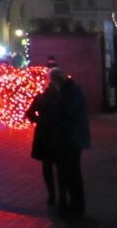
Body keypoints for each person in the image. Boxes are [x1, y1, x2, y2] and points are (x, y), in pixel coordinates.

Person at [51, 68, 90, 217]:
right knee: (71, 171)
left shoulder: (69, 92)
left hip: (70, 137)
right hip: (71, 136)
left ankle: (76, 204)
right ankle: (74, 203)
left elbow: (67, 112)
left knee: (70, 171)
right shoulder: (71, 89)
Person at [25, 76, 60, 207]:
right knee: (59, 165)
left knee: (47, 165)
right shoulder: (61, 99)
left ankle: (51, 194)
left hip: (44, 133)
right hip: (57, 134)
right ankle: (60, 194)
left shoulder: (41, 98)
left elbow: (29, 113)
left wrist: (39, 121)